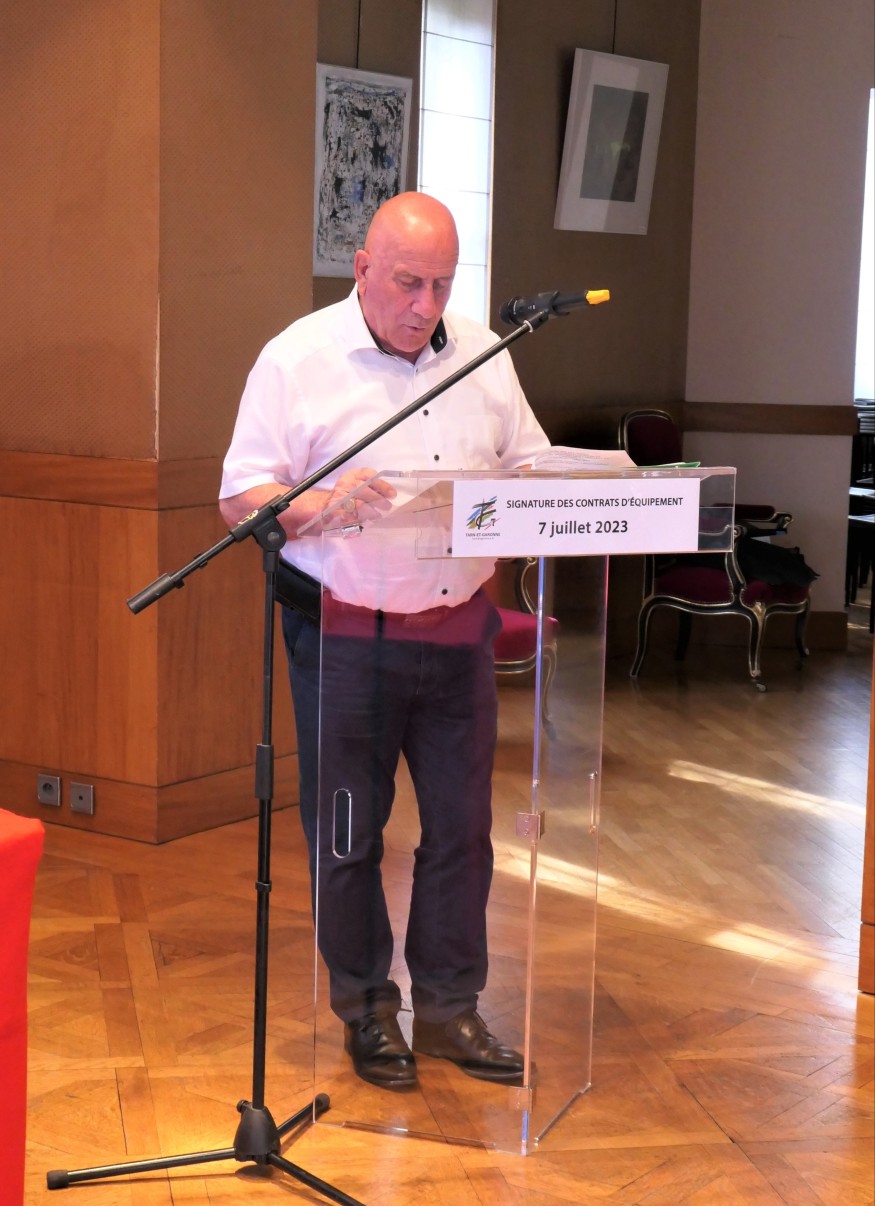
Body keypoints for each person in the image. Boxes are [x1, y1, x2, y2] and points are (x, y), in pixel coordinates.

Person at [219, 192, 550, 1090]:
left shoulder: (483, 355)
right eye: (407, 282)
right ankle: (366, 1010)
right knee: (348, 833)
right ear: (362, 268)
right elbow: (241, 492)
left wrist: (545, 499)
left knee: (461, 831)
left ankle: (448, 1010)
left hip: (457, 630)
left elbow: (530, 467)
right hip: (344, 635)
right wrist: (318, 507)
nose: (425, 305)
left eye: (441, 285)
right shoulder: (297, 359)